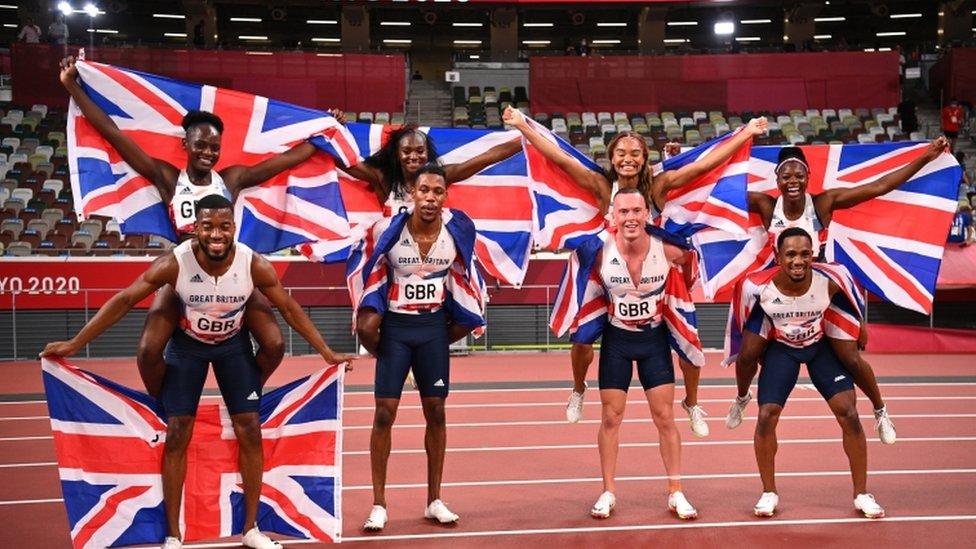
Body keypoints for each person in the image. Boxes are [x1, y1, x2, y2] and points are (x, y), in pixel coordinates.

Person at [41, 195, 355, 549]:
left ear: (234, 228)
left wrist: (326, 352)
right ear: (196, 229)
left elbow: (290, 308)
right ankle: (173, 534)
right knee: (178, 432)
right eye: (208, 227)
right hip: (187, 344)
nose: (216, 234)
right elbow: (125, 300)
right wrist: (74, 342)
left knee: (249, 428)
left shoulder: (254, 265)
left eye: (224, 226)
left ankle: (251, 529)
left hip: (232, 345)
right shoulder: (175, 264)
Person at [60, 55, 322, 394]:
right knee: (147, 351)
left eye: (214, 147)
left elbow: (284, 160)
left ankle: (247, 395)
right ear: (186, 144)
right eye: (201, 145)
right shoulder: (168, 178)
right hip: (182, 271)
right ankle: (165, 404)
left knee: (273, 344)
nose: (208, 153)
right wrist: (73, 87)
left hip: (232, 270)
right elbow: (112, 133)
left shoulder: (231, 179)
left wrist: (324, 131)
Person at [504, 104, 768, 435]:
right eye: (621, 153)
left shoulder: (657, 186)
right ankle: (578, 389)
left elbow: (704, 166)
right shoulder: (602, 186)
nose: (628, 158)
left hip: (656, 269)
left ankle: (692, 402)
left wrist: (745, 133)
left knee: (688, 338)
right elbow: (560, 159)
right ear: (611, 157)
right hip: (608, 270)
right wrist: (523, 125)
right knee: (582, 336)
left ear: (644, 158)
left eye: (635, 153)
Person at [727, 137, 949, 443]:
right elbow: (717, 192)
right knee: (747, 353)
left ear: (807, 177)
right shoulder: (766, 204)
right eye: (786, 176)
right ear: (776, 179)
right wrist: (682, 161)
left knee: (851, 357)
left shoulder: (822, 203)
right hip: (780, 285)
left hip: (821, 286)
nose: (793, 181)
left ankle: (881, 410)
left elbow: (878, 187)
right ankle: (741, 398)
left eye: (798, 175)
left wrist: (926, 157)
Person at [553, 188, 703, 520]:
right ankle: (607, 491)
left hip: (653, 339)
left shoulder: (669, 250)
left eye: (637, 211)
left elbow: (695, 252)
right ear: (613, 217)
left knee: (664, 418)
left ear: (647, 215)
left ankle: (676, 491)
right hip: (617, 338)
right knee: (611, 417)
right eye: (624, 212)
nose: (631, 218)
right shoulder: (599, 251)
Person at [353, 164, 486, 532]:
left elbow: (466, 273)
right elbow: (370, 263)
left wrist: (439, 341)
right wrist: (386, 346)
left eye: (437, 192)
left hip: (432, 329)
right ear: (412, 192)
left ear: (445, 196)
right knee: (384, 414)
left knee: (437, 414)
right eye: (424, 190)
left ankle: (434, 500)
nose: (430, 198)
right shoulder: (390, 231)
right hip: (396, 328)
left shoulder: (457, 230)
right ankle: (379, 503)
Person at [732, 227, 885, 519]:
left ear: (813, 254)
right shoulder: (758, 287)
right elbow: (740, 313)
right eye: (790, 254)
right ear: (778, 257)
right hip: (783, 348)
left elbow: (853, 294)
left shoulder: (830, 280)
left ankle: (862, 493)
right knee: (766, 415)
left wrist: (860, 325)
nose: (798, 261)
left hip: (819, 346)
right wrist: (756, 343)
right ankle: (768, 492)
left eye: (805, 254)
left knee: (848, 413)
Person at [325, 114, 522, 215]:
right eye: (406, 151)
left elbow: (489, 156)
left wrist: (528, 137)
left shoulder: (440, 176)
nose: (414, 157)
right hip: (393, 264)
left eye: (420, 151)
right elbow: (343, 161)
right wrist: (328, 127)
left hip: (430, 262)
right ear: (397, 154)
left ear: (428, 154)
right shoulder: (384, 180)